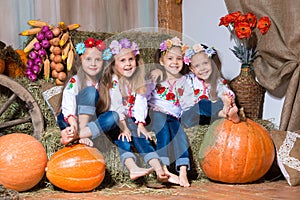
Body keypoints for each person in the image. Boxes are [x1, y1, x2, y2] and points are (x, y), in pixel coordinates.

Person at [64, 38, 169, 182]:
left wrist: (139, 124)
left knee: (122, 125)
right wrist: (73, 123)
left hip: (107, 121)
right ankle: (80, 134)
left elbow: (139, 102)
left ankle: (157, 169)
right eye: (122, 60)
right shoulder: (85, 81)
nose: (93, 64)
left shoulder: (128, 80)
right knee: (115, 120)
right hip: (76, 121)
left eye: (130, 59)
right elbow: (115, 104)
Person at [147, 37, 193, 187]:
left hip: (174, 116)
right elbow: (143, 93)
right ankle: (164, 167)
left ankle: (183, 170)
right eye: (170, 58)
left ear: (184, 60)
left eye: (179, 58)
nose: (175, 62)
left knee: (179, 134)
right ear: (161, 61)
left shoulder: (185, 80)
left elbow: (189, 101)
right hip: (155, 112)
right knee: (163, 130)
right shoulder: (157, 76)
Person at [58, 37, 118, 146]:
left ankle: (78, 136)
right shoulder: (75, 80)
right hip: (71, 120)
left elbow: (114, 104)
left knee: (114, 116)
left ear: (104, 62)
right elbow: (68, 100)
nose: (93, 64)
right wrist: (72, 123)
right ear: (81, 60)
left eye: (98, 60)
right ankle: (77, 132)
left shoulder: (107, 82)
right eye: (88, 59)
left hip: (92, 123)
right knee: (90, 92)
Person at [181, 43, 240, 128]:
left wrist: (227, 96)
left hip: (210, 118)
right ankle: (225, 114)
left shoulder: (217, 80)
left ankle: (229, 114)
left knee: (220, 101)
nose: (202, 68)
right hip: (190, 118)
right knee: (203, 104)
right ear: (192, 69)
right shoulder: (188, 80)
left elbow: (223, 90)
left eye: (205, 63)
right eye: (197, 66)